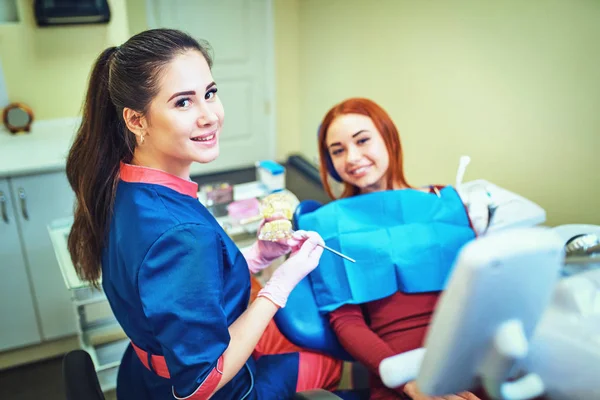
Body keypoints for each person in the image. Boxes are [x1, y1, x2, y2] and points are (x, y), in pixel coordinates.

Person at [66, 28, 341, 400]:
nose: (210, 115)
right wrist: (279, 287)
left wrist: (257, 257)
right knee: (326, 365)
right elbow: (201, 383)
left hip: (142, 378)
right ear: (136, 120)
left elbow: (177, 285)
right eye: (183, 102)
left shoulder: (121, 184)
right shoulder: (181, 234)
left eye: (210, 93)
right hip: (212, 389)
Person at [315, 98, 486, 400]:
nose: (352, 157)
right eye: (338, 150)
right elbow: (346, 320)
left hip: (471, 353)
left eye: (363, 140)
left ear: (389, 139)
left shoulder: (443, 202)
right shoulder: (330, 224)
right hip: (401, 371)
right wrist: (409, 382)